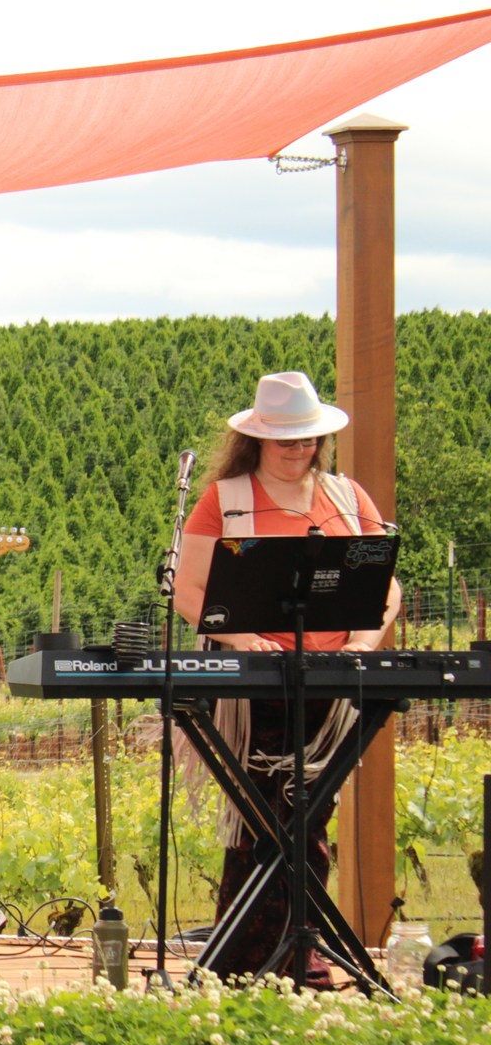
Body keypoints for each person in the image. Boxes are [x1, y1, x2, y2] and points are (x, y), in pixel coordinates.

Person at [174, 370, 401, 984]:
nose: (300, 451)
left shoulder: (349, 499)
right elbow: (189, 588)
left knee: (306, 812)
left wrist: (361, 643)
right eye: (287, 441)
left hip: (330, 679)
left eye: (307, 440)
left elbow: (384, 584)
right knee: (263, 813)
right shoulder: (225, 499)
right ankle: (266, 955)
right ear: (258, 443)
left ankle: (282, 953)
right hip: (255, 684)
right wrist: (243, 639)